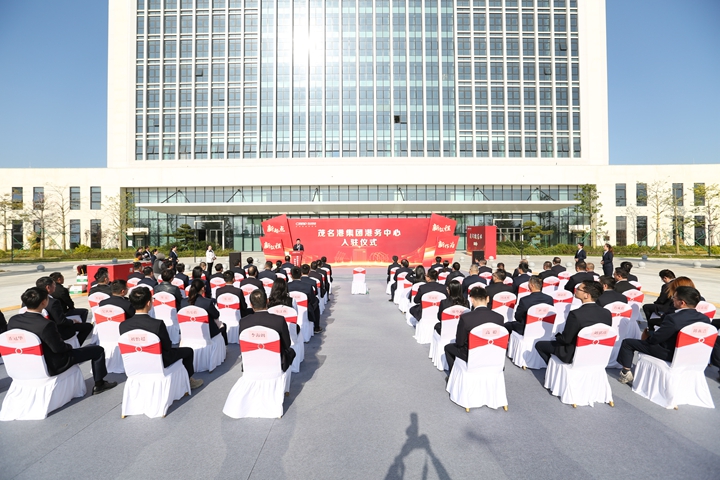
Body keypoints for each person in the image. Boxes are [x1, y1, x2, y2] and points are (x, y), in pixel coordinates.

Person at [9, 287, 117, 395]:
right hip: (52, 363)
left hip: (25, 361)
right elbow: (59, 349)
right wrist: (70, 347)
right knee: (98, 350)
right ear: (43, 302)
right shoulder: (46, 324)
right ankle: (100, 384)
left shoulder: (13, 320)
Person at [617, 286, 710, 384]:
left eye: (674, 297)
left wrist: (649, 334)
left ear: (682, 303)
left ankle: (625, 373)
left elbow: (655, 340)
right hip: (691, 354)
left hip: (669, 353)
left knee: (627, 343)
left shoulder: (673, 318)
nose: (672, 300)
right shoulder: (705, 319)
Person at [119, 286, 203, 390]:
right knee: (188, 351)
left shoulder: (123, 325)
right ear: (148, 303)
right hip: (159, 361)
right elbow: (167, 346)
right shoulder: (157, 324)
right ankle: (189, 381)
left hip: (134, 362)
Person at [535, 281, 612, 365]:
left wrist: (557, 336)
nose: (576, 290)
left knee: (539, 345)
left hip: (573, 354)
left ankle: (553, 368)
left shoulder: (575, 314)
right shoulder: (607, 313)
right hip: (597, 353)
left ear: (587, 295)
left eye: (578, 289)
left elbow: (566, 340)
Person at [444, 287, 504, 375]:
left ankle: (453, 375)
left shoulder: (466, 318)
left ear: (472, 299)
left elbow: (460, 342)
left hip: (472, 355)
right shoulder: (499, 318)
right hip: (492, 354)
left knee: (448, 348)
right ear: (487, 298)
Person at [240, 289, 296, 372]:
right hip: (275, 366)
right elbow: (287, 344)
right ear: (267, 301)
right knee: (291, 352)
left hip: (251, 366)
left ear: (251, 304)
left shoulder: (243, 322)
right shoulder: (279, 320)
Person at [36, 277, 93, 345]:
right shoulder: (53, 302)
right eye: (54, 284)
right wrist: (73, 321)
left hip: (42, 328)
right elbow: (61, 321)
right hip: (58, 329)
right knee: (88, 327)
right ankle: (75, 346)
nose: (55, 286)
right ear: (48, 287)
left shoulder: (34, 299)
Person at [187, 279, 227, 345]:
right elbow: (216, 315)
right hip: (207, 332)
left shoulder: (184, 302)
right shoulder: (207, 302)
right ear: (203, 288)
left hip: (189, 331)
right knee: (223, 325)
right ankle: (224, 347)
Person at [288, 266, 322, 334]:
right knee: (316, 302)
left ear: (291, 275)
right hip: (305, 309)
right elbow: (313, 300)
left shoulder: (286, 286)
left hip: (290, 308)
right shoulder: (307, 286)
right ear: (301, 274)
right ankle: (316, 327)